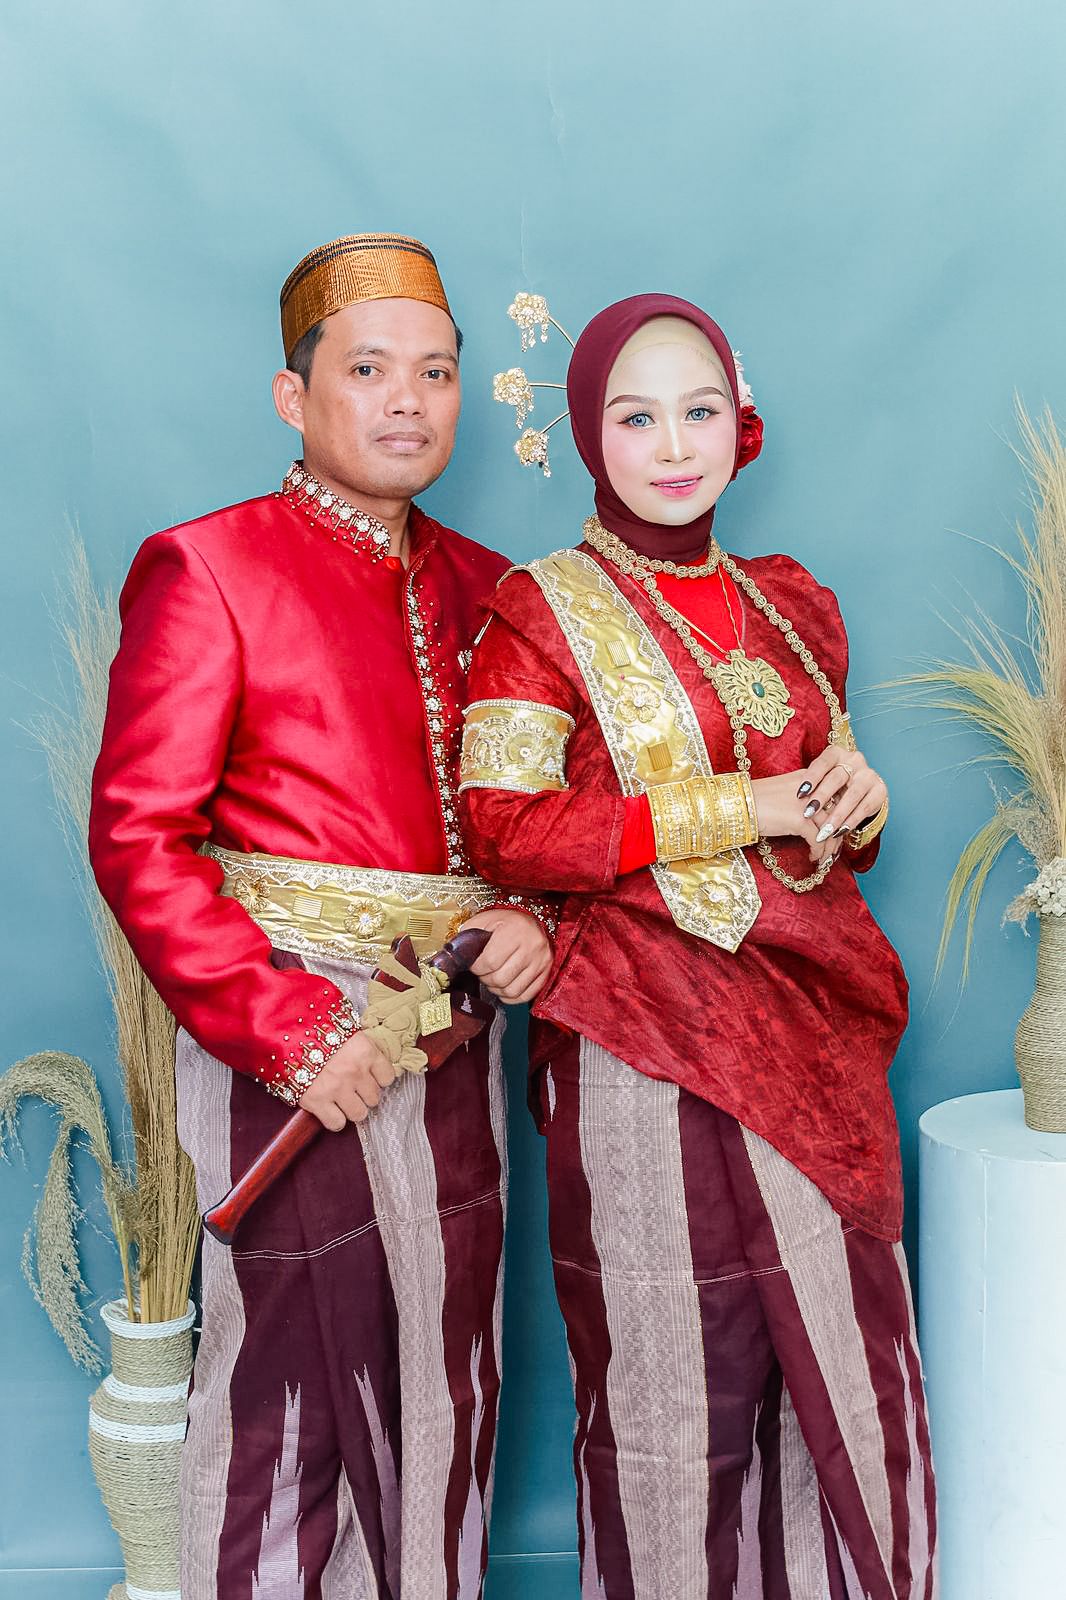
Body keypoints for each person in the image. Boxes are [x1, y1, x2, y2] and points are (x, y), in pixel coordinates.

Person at [89, 232, 553, 1600]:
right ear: (294, 397)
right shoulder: (208, 566)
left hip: (454, 1041)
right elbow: (139, 836)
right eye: (369, 370)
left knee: (449, 1377)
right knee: (292, 1394)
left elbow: (530, 819)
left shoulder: (494, 592)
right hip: (289, 1048)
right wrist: (287, 1031)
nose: (409, 399)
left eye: (438, 373)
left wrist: (533, 916)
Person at [459, 294, 936, 1598]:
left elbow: (816, 828)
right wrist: (744, 806)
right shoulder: (538, 611)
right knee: (675, 1379)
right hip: (638, 1039)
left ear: (742, 424)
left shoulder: (791, 606)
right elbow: (503, 825)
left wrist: (855, 802)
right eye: (636, 417)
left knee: (843, 1368)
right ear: (587, 436)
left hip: (813, 1033)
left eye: (699, 410)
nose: (673, 445)